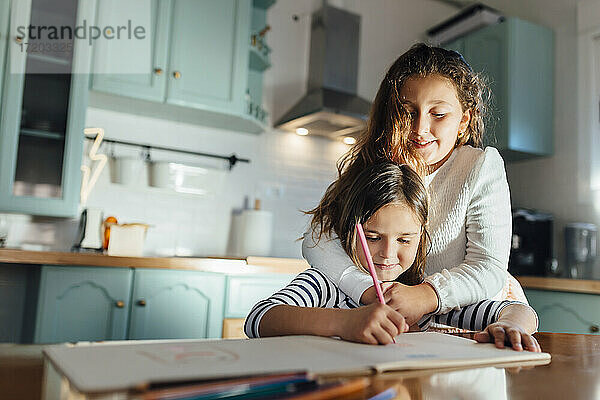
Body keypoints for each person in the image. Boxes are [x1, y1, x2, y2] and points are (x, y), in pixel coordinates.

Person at [302, 43, 525, 327]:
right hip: (402, 323)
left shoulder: (480, 167)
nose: (420, 129)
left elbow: (487, 267)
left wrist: (426, 295)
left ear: (463, 120)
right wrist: (369, 291)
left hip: (473, 316)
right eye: (408, 112)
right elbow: (317, 240)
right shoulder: (377, 165)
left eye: (439, 114)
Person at [245, 162, 539, 352]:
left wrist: (511, 326)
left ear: (420, 239)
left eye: (404, 240)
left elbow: (517, 310)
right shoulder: (325, 284)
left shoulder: (416, 298)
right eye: (372, 238)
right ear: (349, 231)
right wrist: (344, 323)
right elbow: (259, 318)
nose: (387, 254)